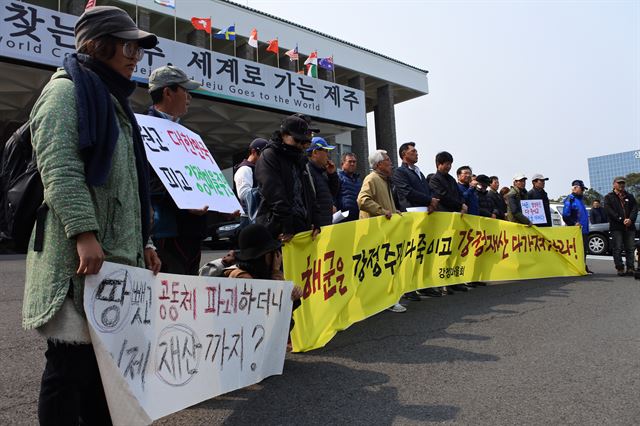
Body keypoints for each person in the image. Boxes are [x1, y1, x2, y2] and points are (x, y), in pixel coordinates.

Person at [22, 7, 161, 425]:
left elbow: (131, 184)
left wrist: (147, 242)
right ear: (97, 45)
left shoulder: (113, 100)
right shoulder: (66, 91)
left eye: (138, 47)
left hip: (115, 259)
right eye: (127, 44)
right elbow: (59, 167)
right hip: (73, 261)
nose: (135, 54)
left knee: (105, 372)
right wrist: (84, 232)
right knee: (69, 369)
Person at [147, 64, 208, 275]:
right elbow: (145, 180)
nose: (189, 97)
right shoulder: (142, 129)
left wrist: (222, 205)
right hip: (164, 229)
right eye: (185, 90)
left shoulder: (188, 136)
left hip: (191, 229)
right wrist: (184, 202)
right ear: (167, 92)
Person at [224, 224, 303, 351]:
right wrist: (276, 271)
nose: (278, 257)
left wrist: (294, 293)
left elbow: (282, 307)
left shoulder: (263, 273)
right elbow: (272, 307)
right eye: (273, 253)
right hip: (238, 344)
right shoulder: (240, 277)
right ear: (264, 256)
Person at [255, 115, 320, 242]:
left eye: (304, 141)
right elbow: (274, 194)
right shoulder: (270, 155)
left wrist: (316, 220)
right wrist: (287, 226)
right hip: (279, 230)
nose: (300, 145)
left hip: (302, 227)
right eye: (297, 140)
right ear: (284, 135)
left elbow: (308, 193)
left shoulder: (299, 158)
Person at [357, 150, 406, 312]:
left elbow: (386, 206)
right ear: (379, 164)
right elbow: (362, 200)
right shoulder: (372, 179)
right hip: (374, 233)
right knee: (378, 269)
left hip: (384, 232)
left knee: (385, 267)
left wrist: (393, 210)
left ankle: (386, 301)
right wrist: (382, 211)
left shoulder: (384, 180)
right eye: (387, 160)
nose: (391, 163)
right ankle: (380, 302)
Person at [392, 142, 440, 299]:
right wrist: (429, 200)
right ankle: (408, 288)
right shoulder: (400, 172)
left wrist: (431, 201)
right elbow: (407, 191)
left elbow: (427, 189)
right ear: (404, 154)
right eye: (413, 151)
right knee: (411, 253)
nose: (416, 153)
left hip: (424, 214)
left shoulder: (419, 171)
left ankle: (423, 285)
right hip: (411, 215)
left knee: (424, 252)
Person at [429, 152, 466, 295]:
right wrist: (459, 205)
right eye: (446, 164)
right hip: (443, 220)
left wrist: (463, 203)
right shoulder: (434, 179)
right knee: (444, 252)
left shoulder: (451, 179)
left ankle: (454, 281)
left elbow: (459, 194)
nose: (449, 167)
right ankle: (443, 282)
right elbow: (442, 197)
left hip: (456, 218)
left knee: (455, 251)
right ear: (439, 164)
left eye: (450, 164)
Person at [603, 177, 638, 276]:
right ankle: (620, 268)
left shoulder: (630, 196)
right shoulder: (608, 197)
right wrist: (621, 219)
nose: (621, 185)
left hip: (630, 227)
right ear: (614, 184)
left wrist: (630, 219)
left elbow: (635, 209)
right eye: (619, 183)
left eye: (623, 183)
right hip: (616, 227)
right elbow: (609, 211)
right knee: (617, 248)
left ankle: (630, 267)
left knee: (630, 248)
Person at [234, 138, 269, 227]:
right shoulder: (244, 169)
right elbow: (244, 194)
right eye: (263, 154)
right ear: (253, 152)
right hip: (249, 218)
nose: (266, 157)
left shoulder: (258, 168)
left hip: (259, 216)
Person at [306, 137, 340, 227]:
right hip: (315, 227)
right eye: (326, 151)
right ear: (315, 152)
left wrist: (332, 174)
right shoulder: (308, 172)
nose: (328, 155)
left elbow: (332, 193)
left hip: (325, 224)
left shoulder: (321, 172)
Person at [562, 179, 593, 274]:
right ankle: (577, 268)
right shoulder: (570, 199)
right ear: (575, 188)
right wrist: (573, 223)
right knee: (577, 250)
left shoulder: (580, 199)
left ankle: (583, 266)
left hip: (584, 230)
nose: (583, 191)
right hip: (576, 231)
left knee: (584, 250)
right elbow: (565, 215)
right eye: (581, 189)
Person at [336, 153, 362, 222]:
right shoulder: (337, 178)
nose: (352, 164)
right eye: (350, 161)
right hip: (343, 219)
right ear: (342, 164)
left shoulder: (358, 180)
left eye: (354, 162)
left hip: (358, 218)